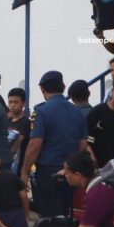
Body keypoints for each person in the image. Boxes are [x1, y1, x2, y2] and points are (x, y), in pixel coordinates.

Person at [19, 70, 88, 217]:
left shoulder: (41, 112)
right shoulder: (77, 111)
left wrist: (24, 171)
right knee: (66, 212)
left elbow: (35, 145)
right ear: (63, 87)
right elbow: (83, 144)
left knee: (48, 215)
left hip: (48, 170)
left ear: (42, 89)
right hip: (71, 170)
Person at [87, 77, 114, 168]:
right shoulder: (97, 113)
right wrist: (94, 164)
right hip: (101, 169)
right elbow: (87, 143)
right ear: (112, 91)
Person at [6, 88, 30, 176]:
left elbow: (15, 146)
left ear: (23, 103)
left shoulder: (26, 122)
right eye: (10, 102)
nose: (12, 105)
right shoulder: (7, 121)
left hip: (17, 165)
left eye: (16, 102)